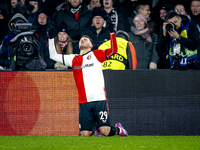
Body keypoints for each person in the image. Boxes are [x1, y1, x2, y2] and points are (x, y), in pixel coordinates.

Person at [48, 28, 128, 137]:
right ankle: (95, 129)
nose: (82, 40)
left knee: (106, 131)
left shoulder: (97, 55)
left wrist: (112, 33)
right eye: (81, 39)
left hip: (99, 100)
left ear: (91, 45)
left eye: (85, 39)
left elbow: (114, 50)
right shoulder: (73, 59)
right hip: (83, 102)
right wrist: (51, 38)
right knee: (85, 134)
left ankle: (118, 129)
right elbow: (53, 56)